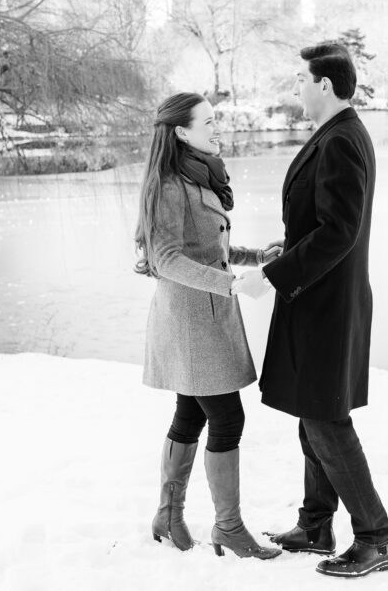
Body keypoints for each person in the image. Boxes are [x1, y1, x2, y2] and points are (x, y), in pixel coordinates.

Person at [232, 43, 388, 578]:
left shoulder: (343, 141)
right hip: (319, 299)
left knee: (326, 420)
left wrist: (273, 277)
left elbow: (339, 232)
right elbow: (319, 224)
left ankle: (374, 537)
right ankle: (317, 523)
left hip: (327, 304)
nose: (297, 88)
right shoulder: (335, 135)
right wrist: (287, 248)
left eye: (302, 80)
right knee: (312, 413)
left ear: (324, 85)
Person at [134, 92, 281, 560]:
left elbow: (207, 245)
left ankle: (168, 515)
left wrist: (255, 256)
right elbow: (167, 259)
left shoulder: (198, 175)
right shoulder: (170, 185)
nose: (218, 128)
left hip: (206, 316)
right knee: (227, 418)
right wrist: (233, 284)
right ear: (181, 132)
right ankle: (229, 528)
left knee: (191, 412)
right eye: (210, 122)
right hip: (191, 321)